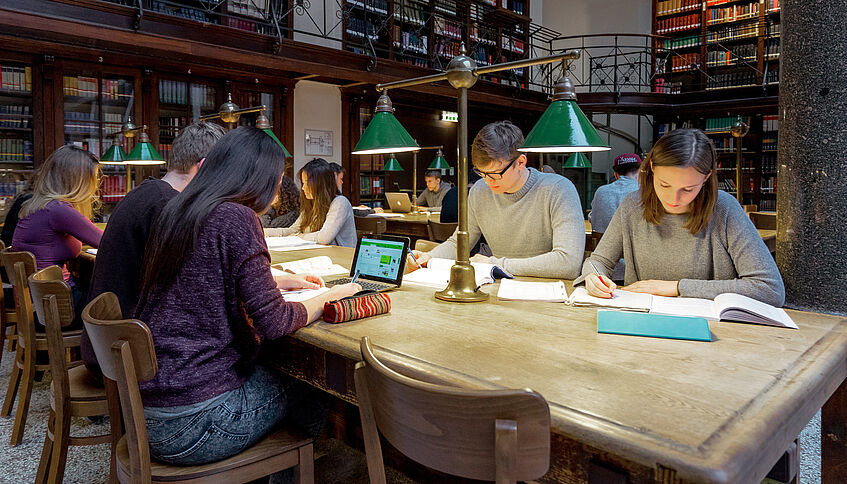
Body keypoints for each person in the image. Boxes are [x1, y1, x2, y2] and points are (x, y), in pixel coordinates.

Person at [134, 127, 360, 468]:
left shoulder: (178, 210)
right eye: (279, 178)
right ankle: (285, 469)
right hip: (196, 422)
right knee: (314, 384)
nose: (280, 190)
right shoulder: (237, 217)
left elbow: (205, 275)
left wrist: (278, 280)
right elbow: (276, 322)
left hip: (148, 410)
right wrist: (334, 296)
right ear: (257, 177)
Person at [577, 128, 785, 307]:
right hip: (641, 323)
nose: (673, 198)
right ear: (651, 169)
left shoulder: (724, 209)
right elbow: (599, 261)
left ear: (706, 177)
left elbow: (769, 289)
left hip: (712, 332)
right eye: (664, 185)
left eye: (688, 189)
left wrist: (676, 287)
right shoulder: (633, 205)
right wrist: (593, 277)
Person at [411, 120, 585, 279]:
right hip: (500, 290)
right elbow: (458, 242)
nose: (488, 181)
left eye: (495, 174)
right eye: (482, 173)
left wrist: (496, 264)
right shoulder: (480, 191)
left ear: (521, 162)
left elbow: (568, 263)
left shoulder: (558, 189)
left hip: (551, 293)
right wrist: (430, 256)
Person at [89, 121, 226, 319]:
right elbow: (192, 284)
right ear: (203, 167)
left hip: (108, 332)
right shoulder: (167, 207)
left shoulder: (146, 193)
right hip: (132, 337)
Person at [12, 144, 103, 326]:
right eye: (92, 179)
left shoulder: (37, 206)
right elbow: (106, 241)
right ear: (76, 180)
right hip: (57, 306)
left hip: (40, 303)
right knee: (124, 303)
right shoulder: (58, 210)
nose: (94, 186)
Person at [265, 158, 357, 248]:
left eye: (305, 183)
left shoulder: (340, 202)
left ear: (319, 184)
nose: (303, 188)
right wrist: (265, 232)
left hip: (342, 257)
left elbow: (324, 237)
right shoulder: (311, 204)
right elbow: (292, 230)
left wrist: (299, 236)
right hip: (319, 254)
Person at [588, 153, 642, 233]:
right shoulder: (644, 191)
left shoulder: (601, 191)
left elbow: (593, 218)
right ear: (640, 172)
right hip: (632, 245)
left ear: (616, 175)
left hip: (601, 244)